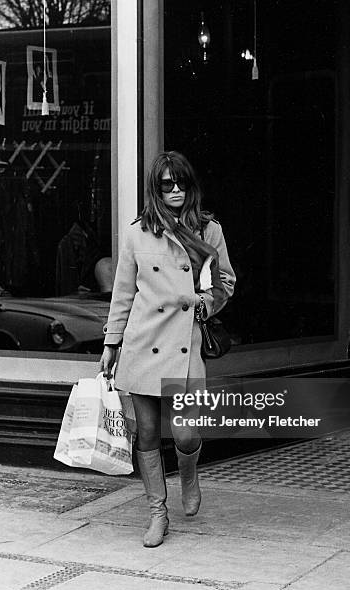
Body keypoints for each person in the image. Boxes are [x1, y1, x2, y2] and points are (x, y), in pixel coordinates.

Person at [99, 151, 235, 547]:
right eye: (166, 185)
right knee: (145, 433)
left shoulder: (209, 231)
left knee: (186, 434)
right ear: (155, 191)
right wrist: (111, 342)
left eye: (182, 184)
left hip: (184, 344)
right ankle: (158, 512)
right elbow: (123, 293)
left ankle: (189, 473)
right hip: (143, 342)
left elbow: (226, 279)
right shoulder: (137, 233)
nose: (175, 191)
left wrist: (206, 304)